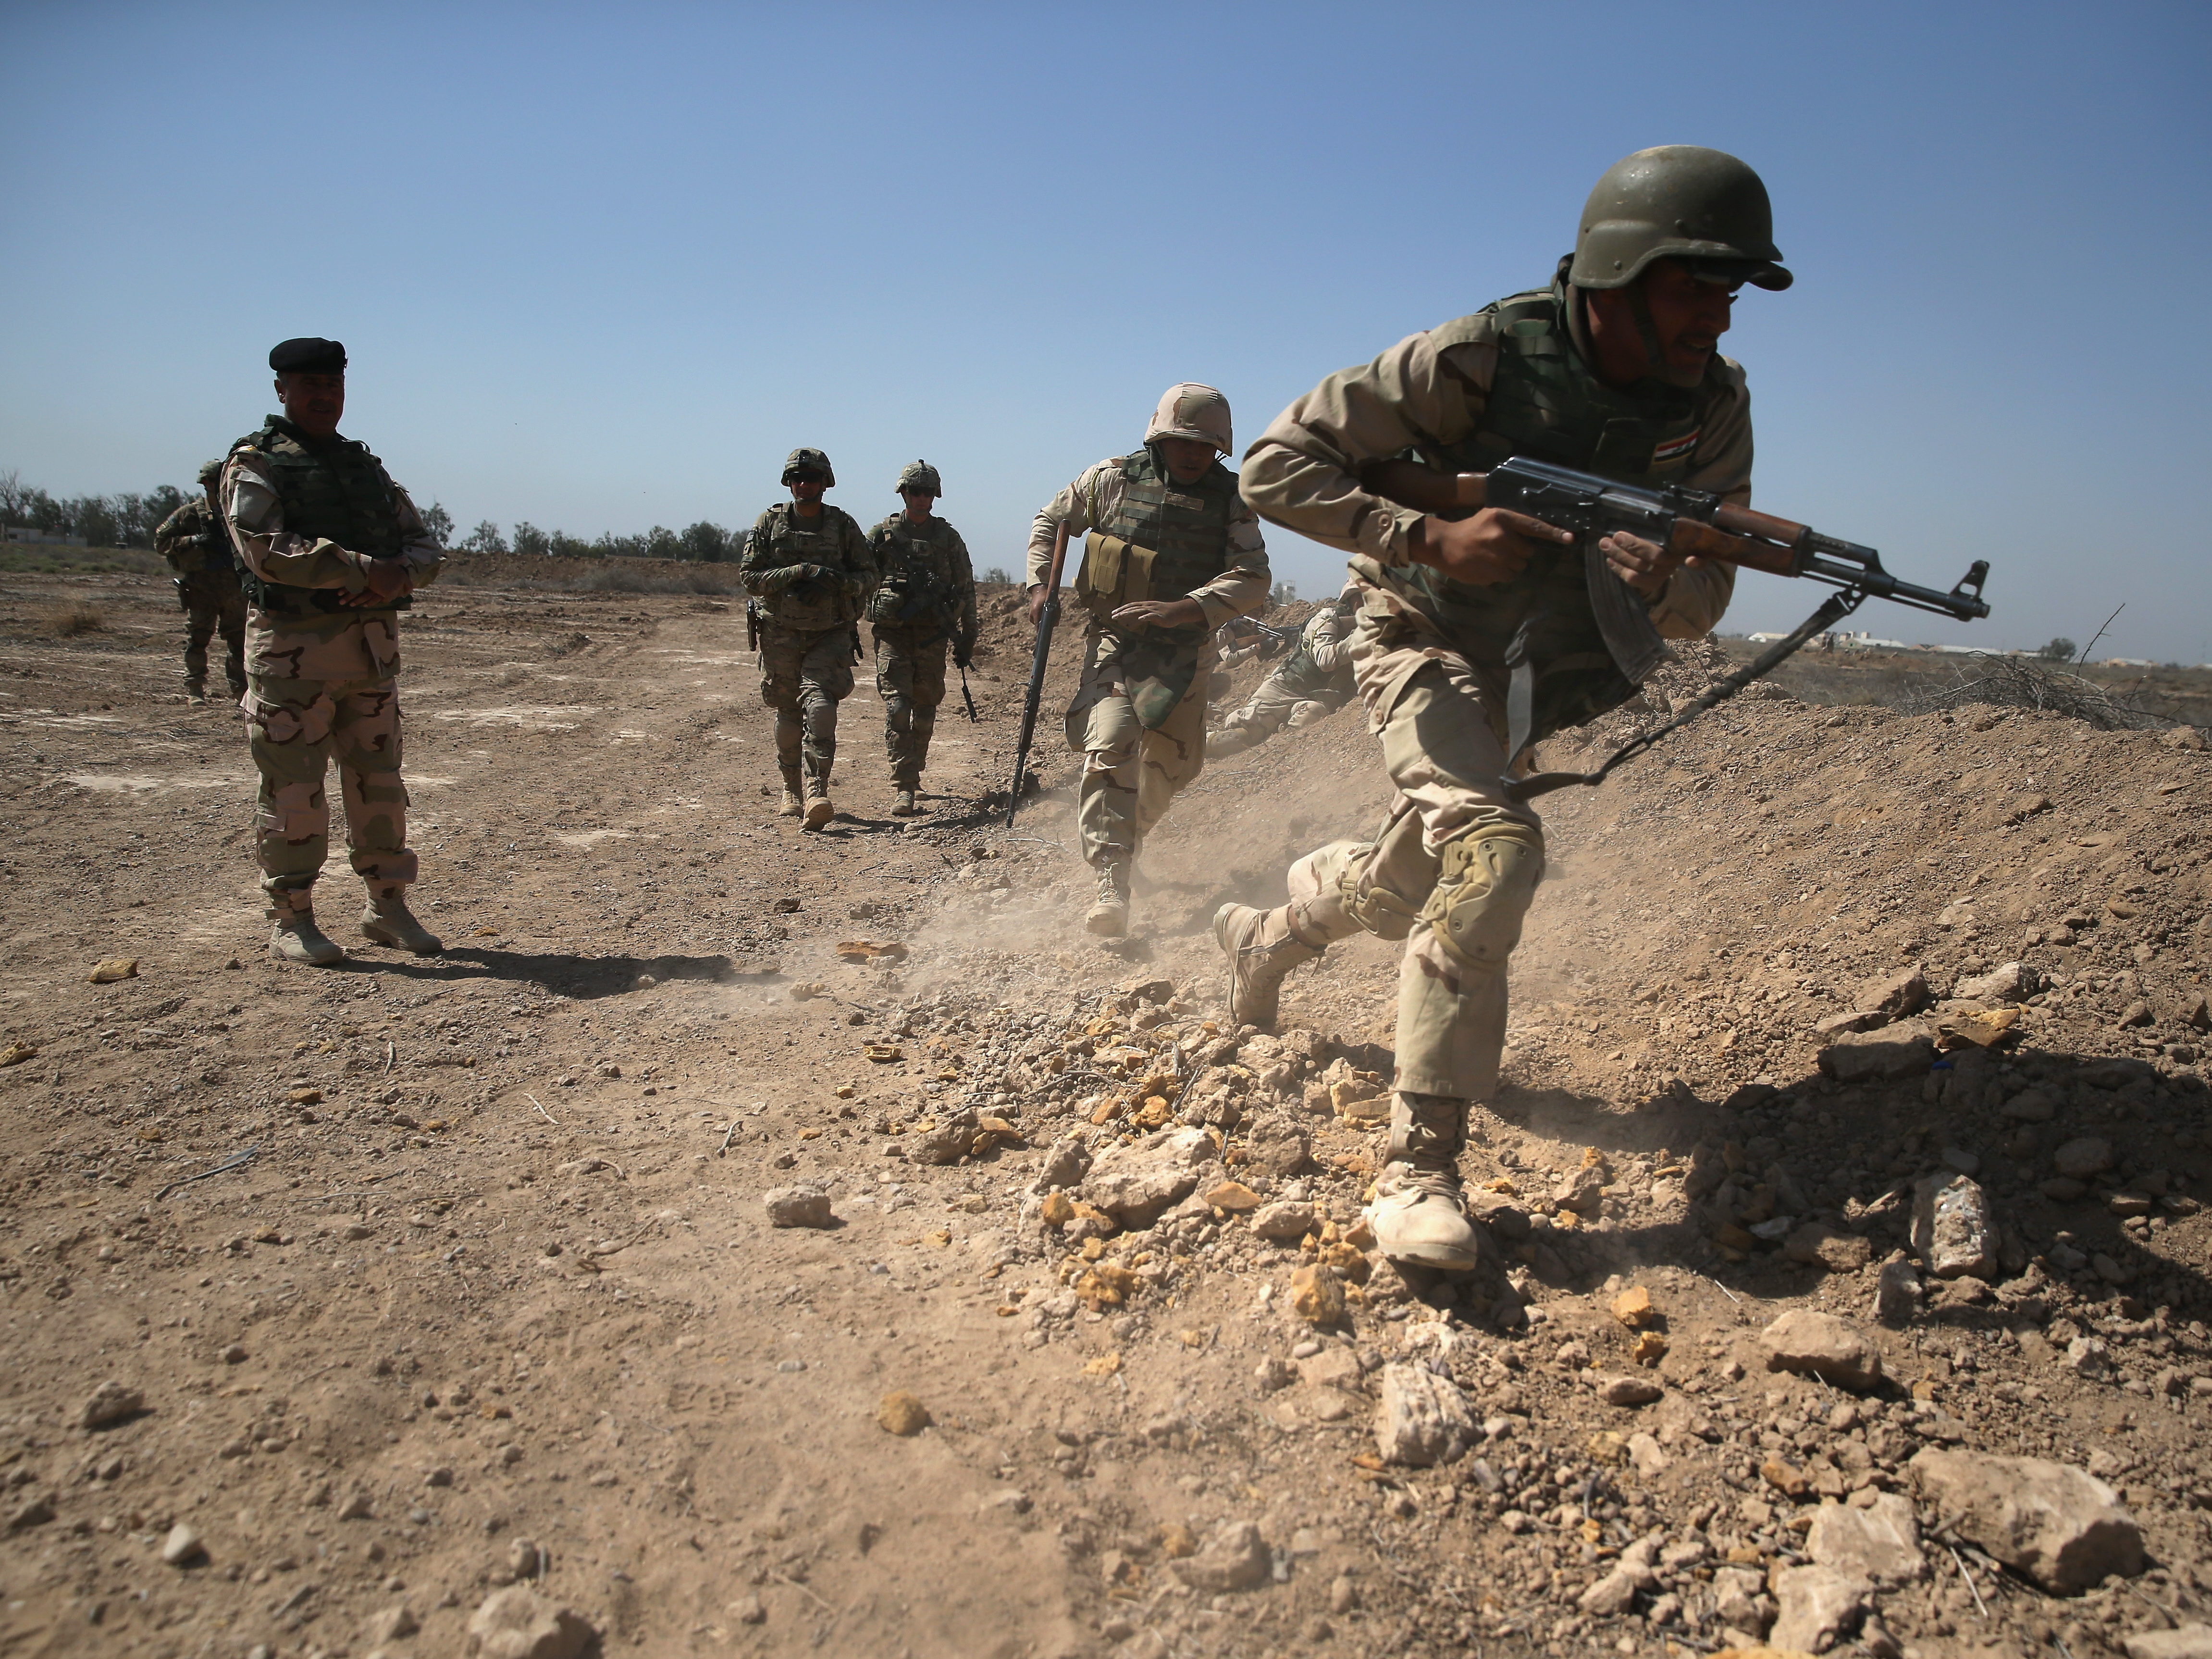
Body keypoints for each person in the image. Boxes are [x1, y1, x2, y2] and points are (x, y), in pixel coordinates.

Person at [1218, 146, 1787, 1271]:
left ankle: (1266, 937)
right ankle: (1416, 1170)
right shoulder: (1477, 358)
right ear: (1620, 271)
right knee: (1494, 850)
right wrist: (1425, 535)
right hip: (1415, 632)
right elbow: (1275, 464)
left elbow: (1706, 596)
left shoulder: (1714, 407)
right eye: (1696, 287)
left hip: (1534, 679)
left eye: (1732, 293)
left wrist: (1659, 583)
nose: (1718, 318)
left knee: (1412, 883)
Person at [221, 337, 446, 966]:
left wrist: (397, 577)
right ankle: (291, 918)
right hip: (292, 660)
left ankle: (387, 906)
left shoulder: (363, 468)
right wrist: (362, 570)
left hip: (368, 657)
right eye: (310, 385)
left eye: (333, 384)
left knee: (380, 786)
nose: (325, 396)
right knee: (294, 791)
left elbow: (425, 548)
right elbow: (263, 548)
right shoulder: (254, 464)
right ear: (282, 391)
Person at [1026, 384, 1270, 934]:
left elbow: (1254, 576)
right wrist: (1041, 585)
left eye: (1207, 446)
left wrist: (1185, 609)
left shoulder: (1231, 499)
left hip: (1186, 650)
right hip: (1116, 642)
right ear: (1159, 437)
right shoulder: (1110, 479)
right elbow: (1052, 521)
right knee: (1111, 744)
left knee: (1175, 766)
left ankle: (1127, 836)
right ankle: (1112, 880)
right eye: (1184, 442)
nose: (1194, 454)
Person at [739, 448, 878, 829]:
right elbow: (749, 577)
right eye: (797, 478)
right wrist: (798, 572)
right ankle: (791, 790)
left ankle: (817, 790)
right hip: (780, 632)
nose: (804, 484)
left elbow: (870, 577)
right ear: (789, 483)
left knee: (820, 707)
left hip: (828, 632)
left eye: (811, 478)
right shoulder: (770, 523)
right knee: (787, 711)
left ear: (825, 483)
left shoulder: (842, 525)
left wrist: (835, 582)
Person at [865, 460, 976, 817]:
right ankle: (904, 784)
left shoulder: (948, 538)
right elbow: (858, 578)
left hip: (932, 636)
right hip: (893, 634)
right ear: (904, 493)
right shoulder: (882, 535)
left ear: (935, 496)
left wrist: (968, 635)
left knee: (926, 709)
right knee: (898, 706)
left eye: (927, 492)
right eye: (915, 491)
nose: (921, 498)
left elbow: (966, 588)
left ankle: (915, 769)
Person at [1206, 581, 1361, 757]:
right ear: (1349, 597)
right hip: (1284, 688)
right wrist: (1364, 634)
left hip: (1312, 698)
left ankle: (1276, 742)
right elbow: (1326, 660)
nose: (1369, 604)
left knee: (1314, 713)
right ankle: (1195, 746)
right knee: (1235, 738)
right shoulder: (1328, 617)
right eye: (1363, 597)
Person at [153, 458, 247, 706]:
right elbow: (161, 543)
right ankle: (195, 689)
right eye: (216, 481)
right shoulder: (189, 514)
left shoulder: (237, 512)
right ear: (206, 483)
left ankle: (240, 691)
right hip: (201, 588)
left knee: (239, 641)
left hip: (234, 588)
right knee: (198, 638)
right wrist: (193, 541)